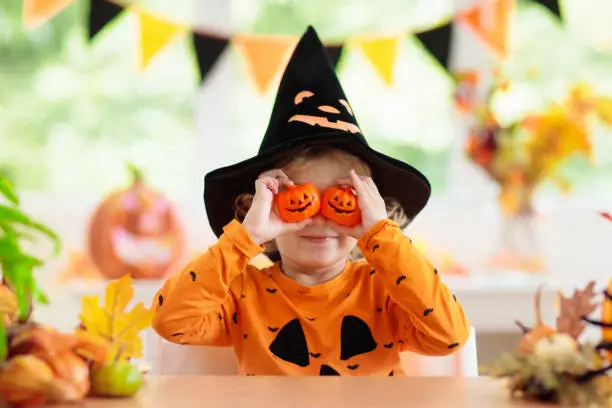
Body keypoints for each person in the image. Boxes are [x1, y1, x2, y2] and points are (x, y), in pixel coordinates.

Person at [152, 26, 470, 376]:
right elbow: (171, 322)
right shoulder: (242, 294)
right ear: (258, 210)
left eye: (341, 200)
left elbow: (449, 337)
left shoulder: (388, 291)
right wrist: (244, 238)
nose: (319, 218)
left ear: (371, 209)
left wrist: (382, 236)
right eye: (299, 201)